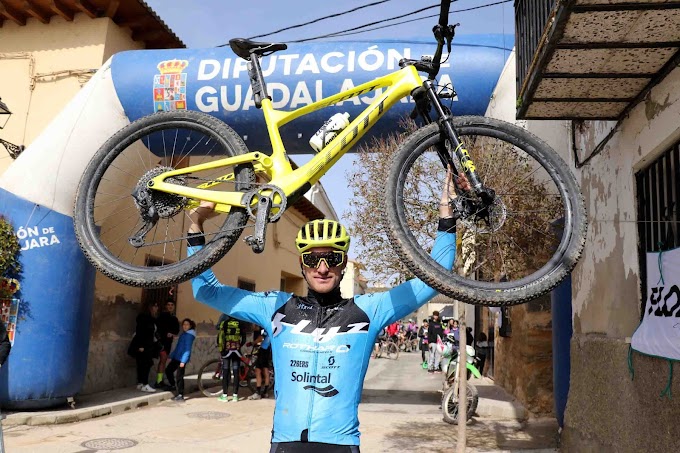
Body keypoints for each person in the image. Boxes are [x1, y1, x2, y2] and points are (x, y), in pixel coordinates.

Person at [187, 168, 467, 452]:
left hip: (341, 443)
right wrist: (196, 225)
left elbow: (433, 280)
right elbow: (206, 291)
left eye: (332, 258)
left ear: (343, 263)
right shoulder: (275, 306)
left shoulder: (368, 310)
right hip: (286, 442)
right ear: (302, 263)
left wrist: (446, 218)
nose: (322, 268)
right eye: (312, 258)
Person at [165, 318, 196, 402]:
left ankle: (180, 395)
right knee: (168, 370)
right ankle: (173, 386)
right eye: (184, 324)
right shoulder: (184, 334)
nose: (185, 326)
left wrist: (183, 361)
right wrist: (171, 356)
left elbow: (187, 349)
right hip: (177, 357)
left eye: (187, 324)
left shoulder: (189, 336)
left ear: (190, 326)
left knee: (179, 377)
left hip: (182, 359)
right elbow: (178, 347)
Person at [217, 314, 246, 402]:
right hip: (236, 351)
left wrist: (221, 348)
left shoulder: (224, 323)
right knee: (236, 372)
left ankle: (225, 396)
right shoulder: (240, 323)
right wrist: (238, 346)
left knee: (225, 372)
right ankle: (235, 396)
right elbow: (244, 339)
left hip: (226, 351)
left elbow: (220, 337)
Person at [132, 302, 160, 392]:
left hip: (148, 345)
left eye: (157, 306)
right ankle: (145, 384)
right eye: (154, 306)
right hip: (144, 345)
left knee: (143, 364)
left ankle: (140, 383)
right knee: (145, 364)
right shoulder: (144, 317)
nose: (156, 308)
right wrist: (140, 345)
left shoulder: (152, 318)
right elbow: (139, 331)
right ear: (150, 307)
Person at [155, 299, 180, 388]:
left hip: (168, 343)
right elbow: (157, 329)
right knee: (163, 360)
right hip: (161, 343)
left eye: (171, 305)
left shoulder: (174, 318)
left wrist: (171, 334)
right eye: (168, 304)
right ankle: (158, 381)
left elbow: (176, 331)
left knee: (163, 361)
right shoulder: (161, 316)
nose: (170, 306)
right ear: (166, 306)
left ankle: (159, 380)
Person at [249, 325, 272, 400]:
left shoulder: (267, 327)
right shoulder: (272, 327)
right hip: (268, 350)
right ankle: (265, 392)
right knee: (266, 370)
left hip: (264, 349)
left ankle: (258, 393)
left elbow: (261, 338)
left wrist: (253, 343)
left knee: (258, 370)